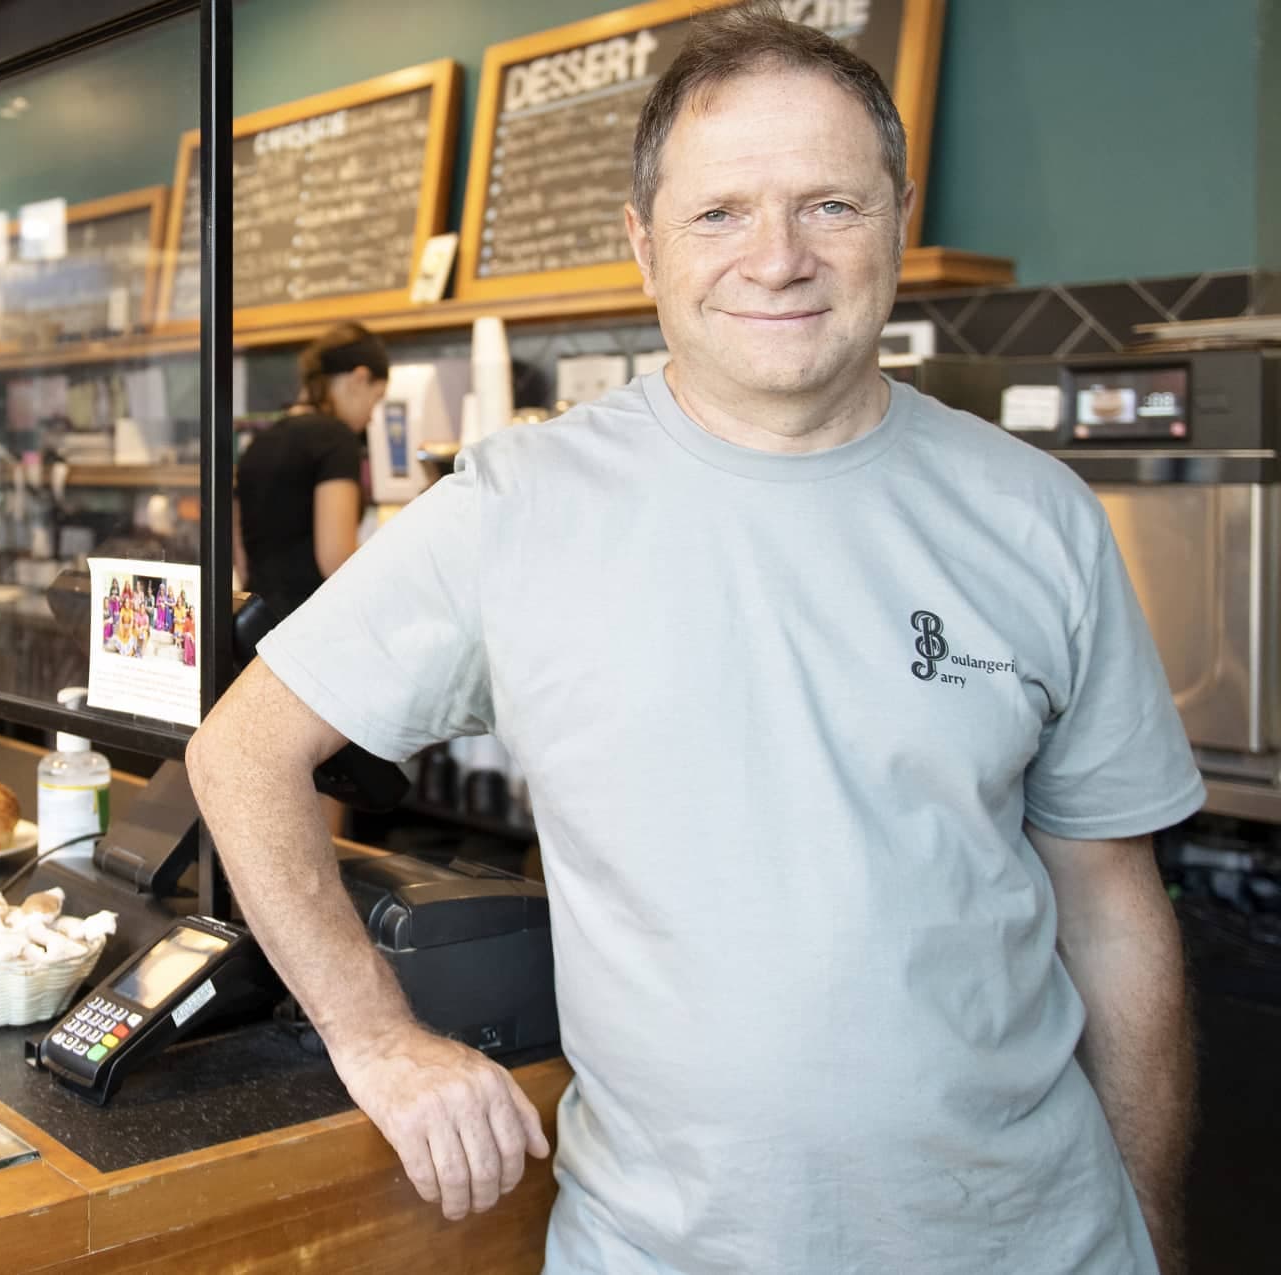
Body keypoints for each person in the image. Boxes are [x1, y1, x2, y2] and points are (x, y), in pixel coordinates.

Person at [186, 7, 1201, 1274]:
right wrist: (376, 1038)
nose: (775, 258)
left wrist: (1150, 1227)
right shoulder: (515, 507)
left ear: (896, 215)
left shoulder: (1036, 513)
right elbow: (240, 755)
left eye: (829, 204)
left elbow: (1110, 909)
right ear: (642, 246)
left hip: (1039, 1244)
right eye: (719, 213)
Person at [232, 322, 389, 619]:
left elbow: (241, 557)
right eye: (376, 398)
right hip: (308, 629)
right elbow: (336, 559)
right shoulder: (337, 438)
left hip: (256, 627)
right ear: (359, 378)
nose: (371, 416)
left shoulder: (258, 442)